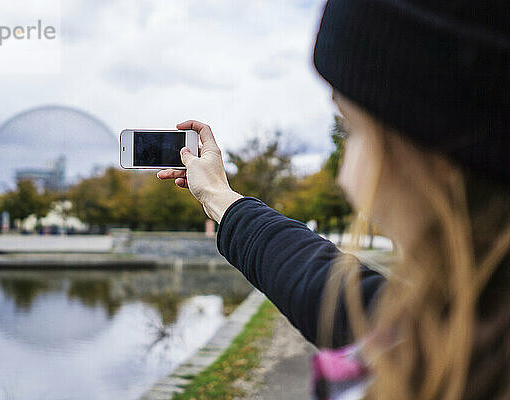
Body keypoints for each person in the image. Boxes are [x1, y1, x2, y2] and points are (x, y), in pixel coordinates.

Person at [158, 0, 509, 399]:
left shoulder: (456, 360)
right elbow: (333, 291)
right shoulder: (464, 332)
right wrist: (220, 198)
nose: (343, 177)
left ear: (446, 150)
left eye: (351, 130)